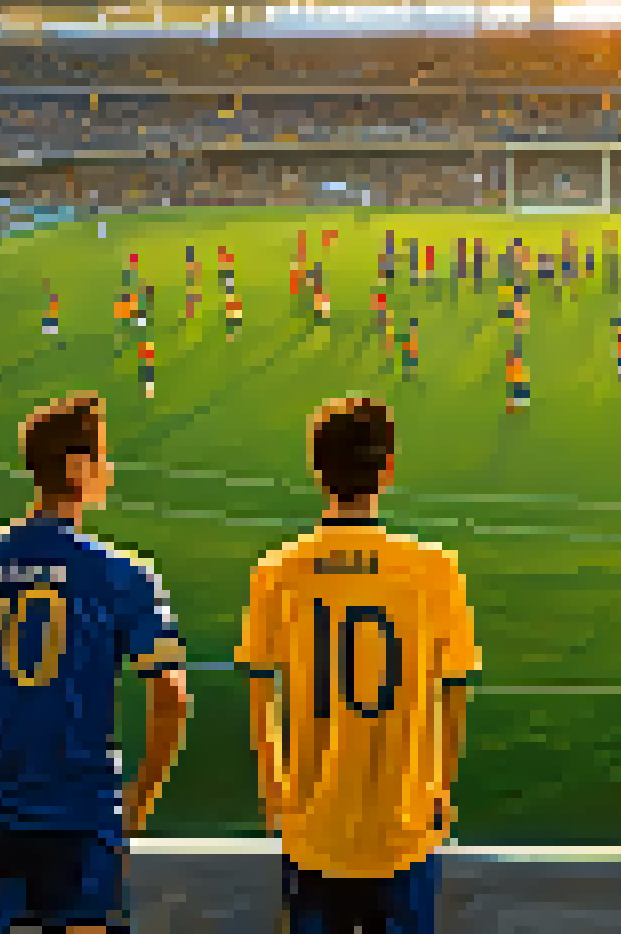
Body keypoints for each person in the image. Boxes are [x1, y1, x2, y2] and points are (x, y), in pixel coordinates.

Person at [0, 393, 189, 934]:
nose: (109, 471)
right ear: (77, 468)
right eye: (103, 458)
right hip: (81, 820)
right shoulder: (124, 574)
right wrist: (136, 807)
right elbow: (173, 698)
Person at [238, 397, 480, 934]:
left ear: (317, 468)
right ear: (387, 469)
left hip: (313, 831)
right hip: (403, 830)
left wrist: (274, 791)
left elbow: (261, 693)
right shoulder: (436, 570)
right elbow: (454, 693)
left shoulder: (276, 572)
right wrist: (440, 789)